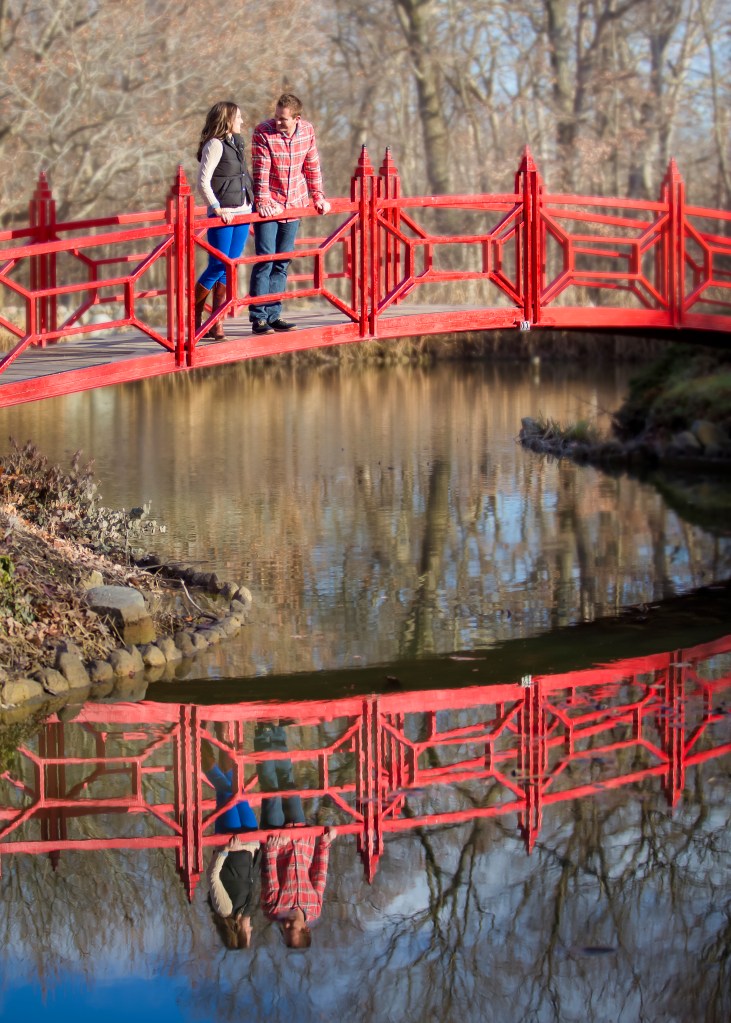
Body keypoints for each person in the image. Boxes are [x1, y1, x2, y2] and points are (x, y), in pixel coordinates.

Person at [248, 93, 331, 336]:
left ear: (296, 118)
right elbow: (260, 169)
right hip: (270, 205)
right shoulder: (263, 132)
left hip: (295, 202)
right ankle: (258, 318)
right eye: (276, 117)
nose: (278, 122)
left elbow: (312, 165)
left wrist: (319, 197)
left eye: (283, 119)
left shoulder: (307, 131)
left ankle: (274, 314)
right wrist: (263, 200)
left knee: (282, 262)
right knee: (266, 260)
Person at [254, 721, 337, 948]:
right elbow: (319, 872)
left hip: (278, 840)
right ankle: (278, 731)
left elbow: (268, 874)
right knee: (289, 786)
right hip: (302, 838)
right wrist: (325, 843)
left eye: (285, 931)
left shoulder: (273, 910)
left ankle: (262, 733)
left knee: (271, 791)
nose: (287, 926)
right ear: (305, 928)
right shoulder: (314, 908)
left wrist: (271, 848)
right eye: (294, 929)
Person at [195, 101, 254, 340]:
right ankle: (195, 318)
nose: (242, 121)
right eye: (238, 117)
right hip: (224, 214)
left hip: (243, 211)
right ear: (227, 119)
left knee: (229, 267)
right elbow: (202, 180)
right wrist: (216, 207)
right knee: (217, 265)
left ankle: (216, 322)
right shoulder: (215, 145)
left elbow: (242, 176)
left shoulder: (237, 143)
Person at [203, 742, 259, 949]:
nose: (252, 928)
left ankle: (200, 747)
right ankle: (220, 740)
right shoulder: (247, 908)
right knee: (239, 790)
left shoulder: (225, 909)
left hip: (232, 841)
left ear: (238, 929)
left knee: (226, 791)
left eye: (249, 932)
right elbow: (251, 874)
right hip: (249, 842)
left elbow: (212, 876)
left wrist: (225, 850)